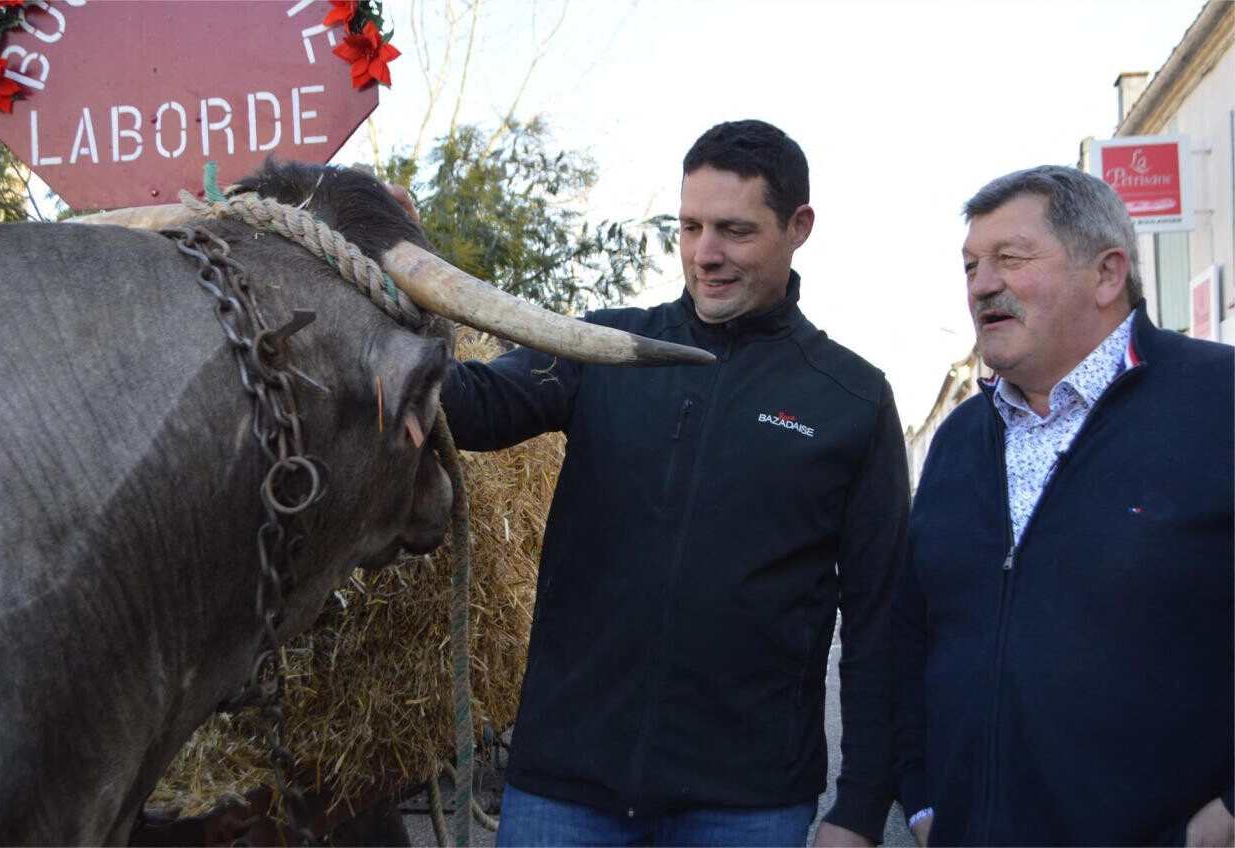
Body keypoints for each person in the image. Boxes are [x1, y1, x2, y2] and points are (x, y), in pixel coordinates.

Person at [438, 119, 909, 846]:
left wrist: (860, 807)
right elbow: (471, 407)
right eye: (688, 226)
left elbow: (881, 619)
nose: (705, 254)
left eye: (734, 230)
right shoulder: (601, 347)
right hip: (563, 789)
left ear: (799, 226)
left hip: (745, 804)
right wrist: (384, 301)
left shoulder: (850, 398)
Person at [892, 165, 1234, 846]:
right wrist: (924, 799)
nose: (981, 284)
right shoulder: (961, 438)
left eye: (1010, 259)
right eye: (970, 266)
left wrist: (1223, 819)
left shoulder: (1218, 403)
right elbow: (914, 633)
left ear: (1107, 275)